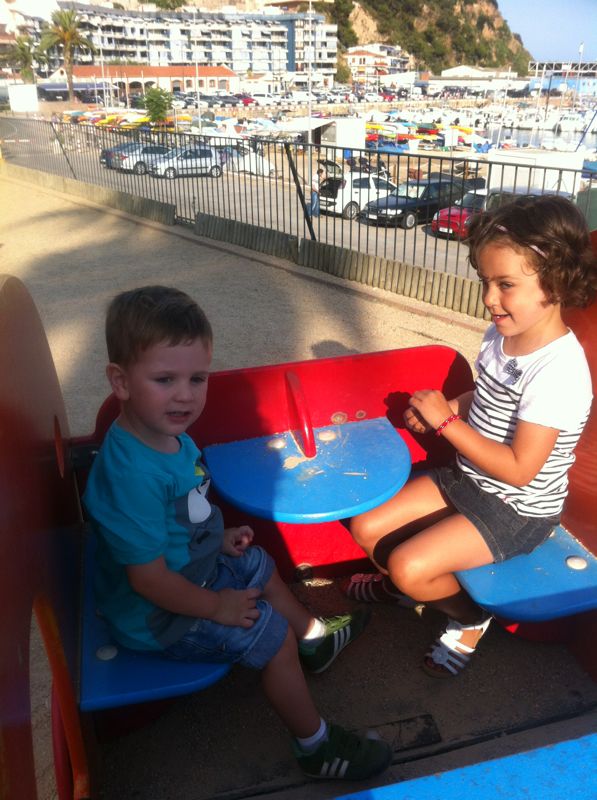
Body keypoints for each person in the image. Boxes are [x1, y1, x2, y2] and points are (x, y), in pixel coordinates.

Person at [83, 285, 392, 781]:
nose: (185, 394)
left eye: (197, 378)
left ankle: (314, 639)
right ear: (120, 381)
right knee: (270, 634)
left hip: (189, 571)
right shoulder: (132, 475)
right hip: (157, 616)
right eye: (165, 379)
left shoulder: (165, 434)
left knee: (256, 563)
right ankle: (314, 746)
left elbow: (182, 516)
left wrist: (218, 538)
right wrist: (217, 607)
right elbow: (148, 580)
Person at [342, 195, 597, 677]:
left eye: (505, 285)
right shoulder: (501, 334)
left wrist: (446, 424)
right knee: (366, 527)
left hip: (517, 511)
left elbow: (521, 472)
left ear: (557, 280)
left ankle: (467, 618)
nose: (488, 298)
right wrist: (451, 408)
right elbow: (488, 394)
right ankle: (407, 590)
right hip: (469, 478)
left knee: (409, 565)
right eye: (485, 281)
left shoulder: (558, 372)